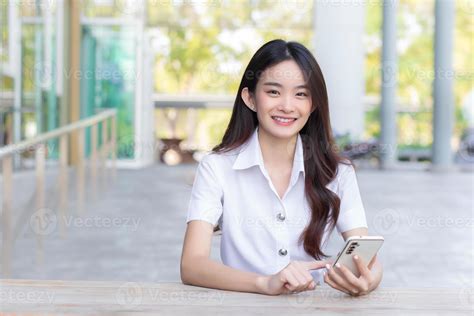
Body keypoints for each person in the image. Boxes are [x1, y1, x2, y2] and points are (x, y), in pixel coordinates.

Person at [180, 39, 383, 296]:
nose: (287, 106)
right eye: (273, 92)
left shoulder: (338, 172)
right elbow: (192, 265)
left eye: (301, 94)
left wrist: (369, 280)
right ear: (250, 98)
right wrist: (265, 283)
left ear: (313, 104)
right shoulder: (217, 167)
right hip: (243, 308)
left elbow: (365, 255)